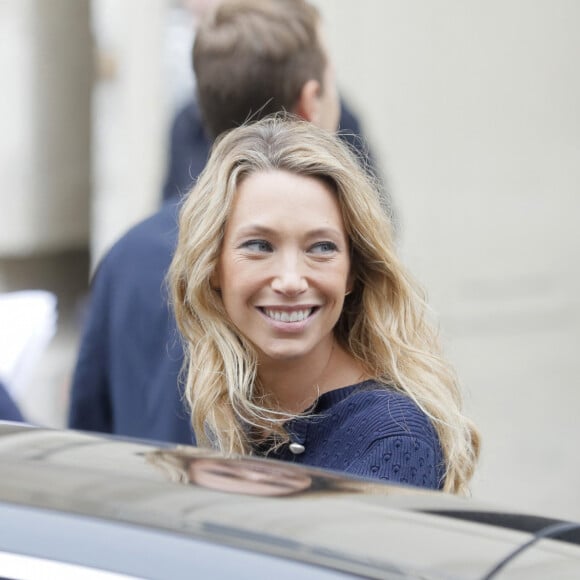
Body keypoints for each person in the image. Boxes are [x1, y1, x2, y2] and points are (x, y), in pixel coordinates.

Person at [68, 0, 373, 444]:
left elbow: (87, 438)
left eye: (320, 247)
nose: (290, 278)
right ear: (310, 103)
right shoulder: (324, 276)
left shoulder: (126, 257)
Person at [169, 114, 480, 494]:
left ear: (352, 272)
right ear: (213, 267)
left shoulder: (392, 439)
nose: (290, 281)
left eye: (321, 248)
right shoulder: (227, 405)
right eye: (259, 246)